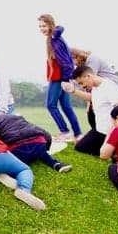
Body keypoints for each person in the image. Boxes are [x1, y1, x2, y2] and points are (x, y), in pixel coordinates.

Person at [37, 14, 82, 142]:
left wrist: (65, 80)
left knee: (51, 105)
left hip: (59, 78)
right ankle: (78, 133)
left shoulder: (54, 40)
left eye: (44, 26)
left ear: (51, 25)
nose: (42, 28)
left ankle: (65, 131)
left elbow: (66, 62)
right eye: (40, 26)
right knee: (66, 106)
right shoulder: (53, 38)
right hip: (62, 77)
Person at [68, 47, 118, 131]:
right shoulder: (86, 65)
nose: (72, 65)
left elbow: (87, 81)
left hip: (116, 88)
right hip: (105, 92)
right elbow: (89, 85)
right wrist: (89, 102)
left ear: (76, 57)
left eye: (71, 60)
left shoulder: (92, 60)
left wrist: (69, 84)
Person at [0, 113, 72, 173]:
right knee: (42, 153)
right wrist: (46, 147)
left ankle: (13, 170)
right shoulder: (20, 119)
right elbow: (45, 133)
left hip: (17, 149)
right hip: (39, 143)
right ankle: (57, 164)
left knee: (6, 153)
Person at [69, 65, 118, 157]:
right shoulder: (95, 88)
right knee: (80, 147)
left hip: (109, 132)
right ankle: (109, 151)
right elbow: (91, 98)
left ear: (88, 76)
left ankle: (114, 151)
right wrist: (73, 90)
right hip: (99, 130)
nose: (83, 86)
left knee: (106, 154)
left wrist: (115, 130)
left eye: (81, 83)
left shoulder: (109, 86)